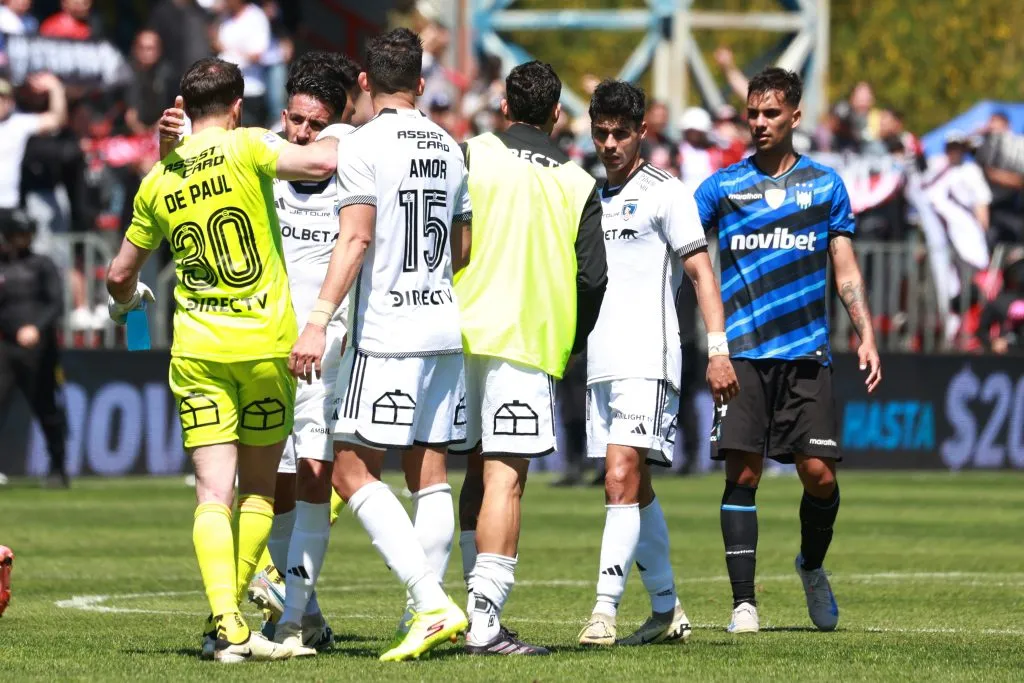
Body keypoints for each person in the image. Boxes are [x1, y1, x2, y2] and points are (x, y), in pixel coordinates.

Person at [105, 56, 339, 663]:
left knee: (213, 492)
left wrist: (127, 304)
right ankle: (229, 618)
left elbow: (118, 275)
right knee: (258, 489)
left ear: (184, 106)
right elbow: (321, 162)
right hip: (264, 347)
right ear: (236, 106)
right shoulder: (248, 145)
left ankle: (227, 626)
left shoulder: (158, 179)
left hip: (199, 353)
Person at [287, 28, 470, 662]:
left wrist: (318, 319)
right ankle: (425, 614)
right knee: (430, 474)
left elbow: (356, 238)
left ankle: (429, 602)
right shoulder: (451, 146)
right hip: (442, 324)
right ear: (420, 82)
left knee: (346, 468)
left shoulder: (362, 144)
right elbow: (462, 247)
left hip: (387, 331)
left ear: (365, 83)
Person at [693, 67, 881, 634]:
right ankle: (743, 603)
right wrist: (714, 345)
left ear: (796, 116)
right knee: (743, 474)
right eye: (752, 113)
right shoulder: (722, 188)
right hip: (744, 354)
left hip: (805, 354)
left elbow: (844, 268)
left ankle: (812, 567)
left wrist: (866, 333)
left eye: (771, 113)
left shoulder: (825, 186)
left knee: (819, 475)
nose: (759, 122)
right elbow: (684, 245)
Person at [452, 60, 607, 655]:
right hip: (527, 340)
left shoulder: (471, 153)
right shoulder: (578, 183)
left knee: (458, 474)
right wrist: (573, 337)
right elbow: (593, 279)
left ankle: (449, 610)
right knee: (505, 479)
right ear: (557, 115)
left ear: (504, 107)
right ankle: (485, 621)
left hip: (458, 331)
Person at [576, 80, 738, 647]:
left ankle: (603, 612)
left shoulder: (666, 193)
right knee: (636, 485)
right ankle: (668, 609)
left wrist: (717, 349)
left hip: (649, 356)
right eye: (601, 133)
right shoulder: (588, 195)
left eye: (621, 133)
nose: (610, 144)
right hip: (600, 361)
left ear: (642, 132)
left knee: (619, 475)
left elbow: (701, 274)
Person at [0, 208, 68, 488]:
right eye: (18, 234)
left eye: (27, 234)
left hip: (40, 351)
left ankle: (58, 469)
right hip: (6, 348)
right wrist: (12, 329)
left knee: (47, 409)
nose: (23, 239)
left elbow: (56, 303)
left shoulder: (42, 265)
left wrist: (36, 328)